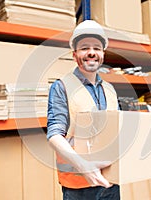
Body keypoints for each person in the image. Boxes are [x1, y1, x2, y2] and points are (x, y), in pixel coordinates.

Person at [46, 20, 120, 200]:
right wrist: (83, 165)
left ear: (103, 54)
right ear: (75, 54)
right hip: (78, 185)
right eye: (84, 48)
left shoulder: (110, 89)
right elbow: (54, 134)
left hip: (111, 180)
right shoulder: (61, 86)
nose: (91, 52)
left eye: (97, 48)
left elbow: (117, 130)